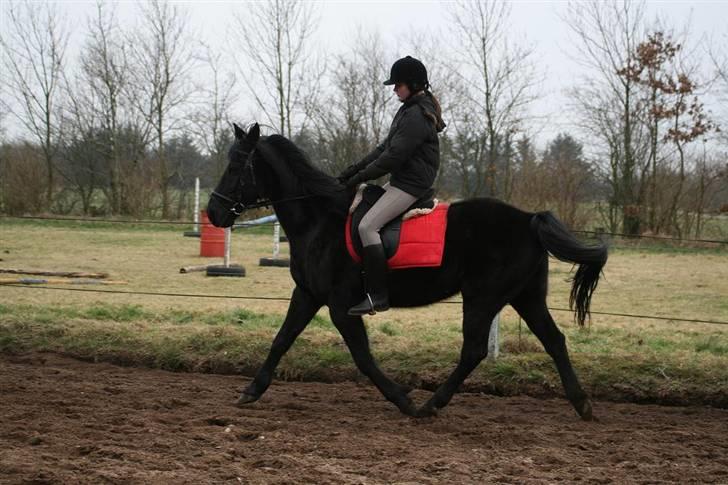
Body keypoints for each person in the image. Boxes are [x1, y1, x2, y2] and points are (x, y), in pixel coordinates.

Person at [338, 55, 446, 316]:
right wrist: (354, 170)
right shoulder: (407, 109)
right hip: (401, 180)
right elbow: (383, 148)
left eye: (397, 84)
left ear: (412, 83)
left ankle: (378, 296)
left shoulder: (417, 116)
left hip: (410, 185)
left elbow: (392, 157)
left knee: (367, 226)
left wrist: (359, 178)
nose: (394, 89)